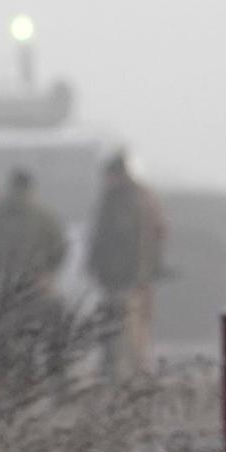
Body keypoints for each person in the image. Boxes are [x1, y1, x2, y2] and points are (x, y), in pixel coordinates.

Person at [0, 167, 68, 388]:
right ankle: (56, 382)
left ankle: (6, 386)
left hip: (5, 288)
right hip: (39, 286)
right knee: (50, 337)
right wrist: (48, 273)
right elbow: (60, 249)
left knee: (6, 340)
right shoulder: (45, 216)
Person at [85, 152, 167, 379]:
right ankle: (113, 371)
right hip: (115, 277)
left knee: (132, 330)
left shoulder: (134, 201)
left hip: (129, 278)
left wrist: (141, 276)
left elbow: (142, 241)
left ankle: (136, 375)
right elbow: (99, 237)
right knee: (114, 326)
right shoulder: (118, 198)